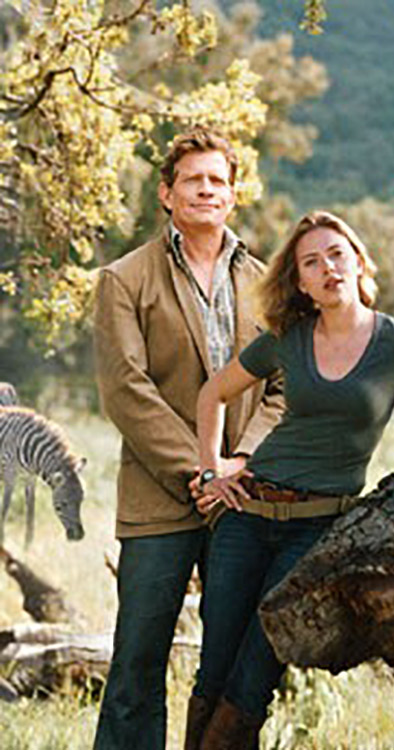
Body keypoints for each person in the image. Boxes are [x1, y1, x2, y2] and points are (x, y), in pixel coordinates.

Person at [187, 211, 394, 748]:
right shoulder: (286, 339)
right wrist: (211, 469)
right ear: (301, 283)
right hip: (245, 516)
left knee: (254, 676)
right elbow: (212, 394)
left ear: (358, 262)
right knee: (213, 668)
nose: (328, 268)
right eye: (311, 263)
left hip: (314, 529)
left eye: (337, 254)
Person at [92, 128, 283, 750]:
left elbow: (284, 387)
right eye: (193, 180)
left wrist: (240, 461)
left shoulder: (266, 283)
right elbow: (126, 389)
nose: (206, 190)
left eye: (217, 180)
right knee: (137, 664)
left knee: (230, 670)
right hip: (159, 502)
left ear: (234, 194)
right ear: (166, 193)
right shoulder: (124, 279)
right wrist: (201, 470)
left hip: (243, 501)